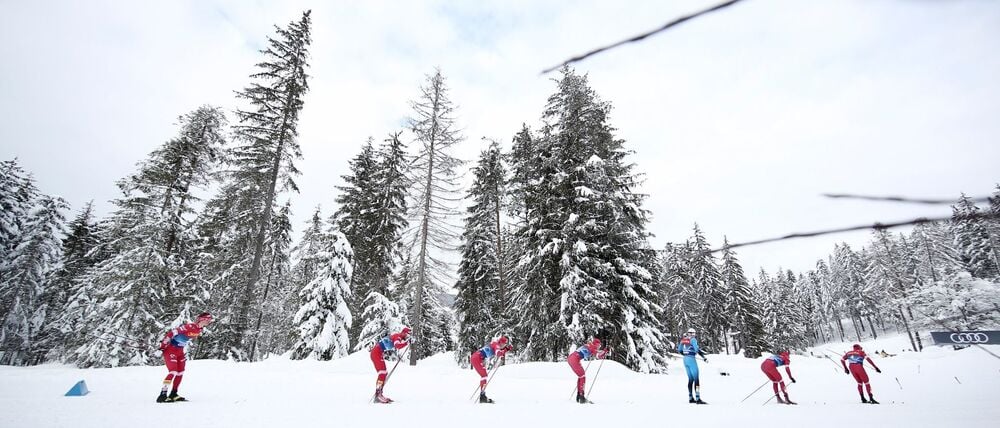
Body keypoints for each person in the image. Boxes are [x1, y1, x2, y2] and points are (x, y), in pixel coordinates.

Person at [156, 312, 213, 403]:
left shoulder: (199, 330)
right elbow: (172, 333)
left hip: (180, 351)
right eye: (207, 320)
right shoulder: (190, 326)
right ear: (201, 320)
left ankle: (173, 394)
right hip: (171, 350)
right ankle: (162, 395)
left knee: (180, 372)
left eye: (209, 320)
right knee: (173, 371)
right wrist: (163, 344)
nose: (208, 322)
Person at [370, 326, 411, 403]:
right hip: (376, 353)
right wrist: (408, 342)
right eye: (408, 335)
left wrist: (407, 342)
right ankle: (378, 395)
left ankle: (379, 394)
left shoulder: (398, 336)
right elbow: (397, 346)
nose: (408, 337)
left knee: (384, 373)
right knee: (382, 373)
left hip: (378, 353)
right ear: (404, 333)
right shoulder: (398, 336)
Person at [470, 335, 513, 403]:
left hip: (477, 357)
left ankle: (482, 395)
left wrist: (506, 349)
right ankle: (482, 397)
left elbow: (498, 351)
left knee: (484, 375)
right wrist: (503, 351)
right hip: (477, 358)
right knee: (484, 376)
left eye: (505, 345)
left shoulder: (495, 344)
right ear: (501, 342)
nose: (504, 346)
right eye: (504, 344)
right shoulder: (497, 345)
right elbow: (498, 352)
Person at [567, 337, 609, 404]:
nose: (599, 347)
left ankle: (579, 395)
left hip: (571, 358)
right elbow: (598, 356)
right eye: (599, 345)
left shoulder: (589, 345)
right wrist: (605, 352)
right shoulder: (593, 347)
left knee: (581, 376)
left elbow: (595, 352)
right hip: (575, 359)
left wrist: (603, 351)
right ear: (597, 344)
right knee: (582, 376)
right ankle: (581, 397)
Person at [677, 328, 708, 404]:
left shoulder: (683, 340)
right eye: (694, 333)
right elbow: (697, 350)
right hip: (691, 360)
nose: (694, 335)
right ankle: (698, 398)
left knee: (690, 379)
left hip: (685, 360)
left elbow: (679, 350)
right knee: (696, 379)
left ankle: (691, 398)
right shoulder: (693, 340)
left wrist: (685, 354)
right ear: (692, 333)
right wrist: (704, 357)